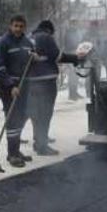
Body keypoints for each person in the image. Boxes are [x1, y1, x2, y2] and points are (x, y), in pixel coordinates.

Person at [27, 20, 82, 156]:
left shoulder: (29, 37)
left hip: (31, 81)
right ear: (49, 30)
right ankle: (42, 146)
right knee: (45, 113)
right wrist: (75, 58)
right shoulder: (46, 37)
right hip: (46, 80)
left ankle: (38, 140)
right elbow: (58, 56)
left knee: (36, 113)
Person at [0, 14, 35, 168]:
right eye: (15, 25)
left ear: (25, 27)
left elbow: (30, 63)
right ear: (10, 26)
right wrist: (11, 86)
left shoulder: (28, 42)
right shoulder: (3, 43)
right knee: (13, 119)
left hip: (24, 85)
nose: (18, 29)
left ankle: (16, 149)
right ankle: (12, 154)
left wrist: (34, 58)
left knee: (22, 116)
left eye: (21, 26)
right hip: (7, 87)